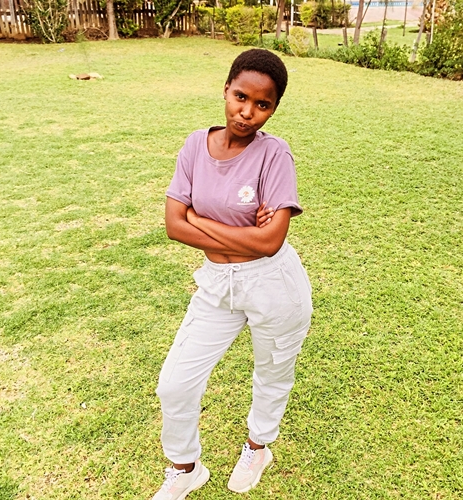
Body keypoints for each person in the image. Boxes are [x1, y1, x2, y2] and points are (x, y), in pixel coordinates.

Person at [153, 48, 313, 500]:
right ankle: (185, 468)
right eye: (241, 97)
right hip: (216, 285)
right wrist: (240, 232)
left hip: (273, 284)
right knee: (175, 383)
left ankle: (257, 447)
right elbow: (173, 226)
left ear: (273, 109)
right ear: (226, 90)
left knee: (272, 373)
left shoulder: (274, 155)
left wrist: (198, 219)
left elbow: (270, 243)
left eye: (263, 104)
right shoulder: (194, 146)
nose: (247, 112)